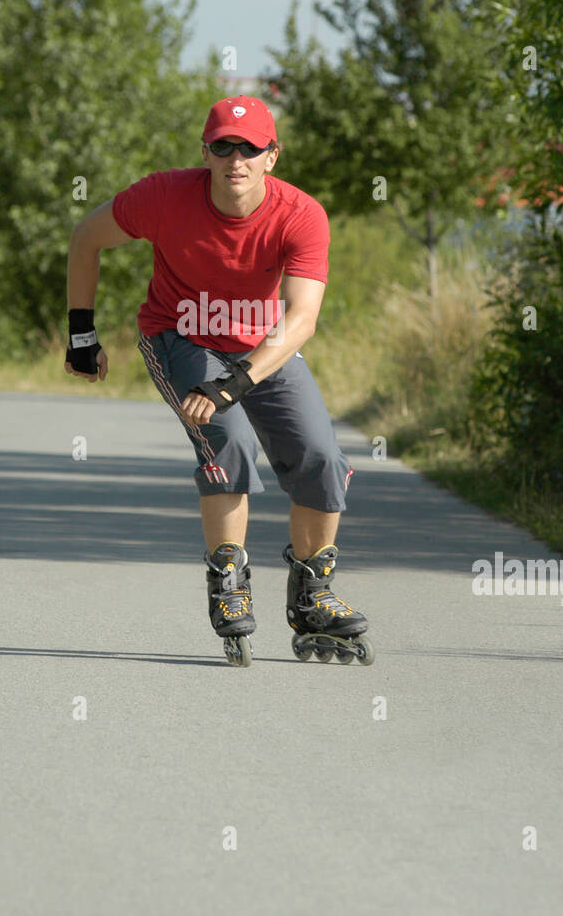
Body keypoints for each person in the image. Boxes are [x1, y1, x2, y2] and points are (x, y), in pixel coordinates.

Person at [65, 94, 371, 666]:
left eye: (251, 148)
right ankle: (229, 579)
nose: (237, 159)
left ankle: (314, 595)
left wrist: (235, 381)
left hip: (263, 348)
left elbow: (301, 319)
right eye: (224, 147)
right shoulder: (161, 196)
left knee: (322, 456)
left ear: (271, 156)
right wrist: (82, 334)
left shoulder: (301, 214)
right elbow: (87, 235)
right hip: (179, 338)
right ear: (204, 152)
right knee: (227, 437)